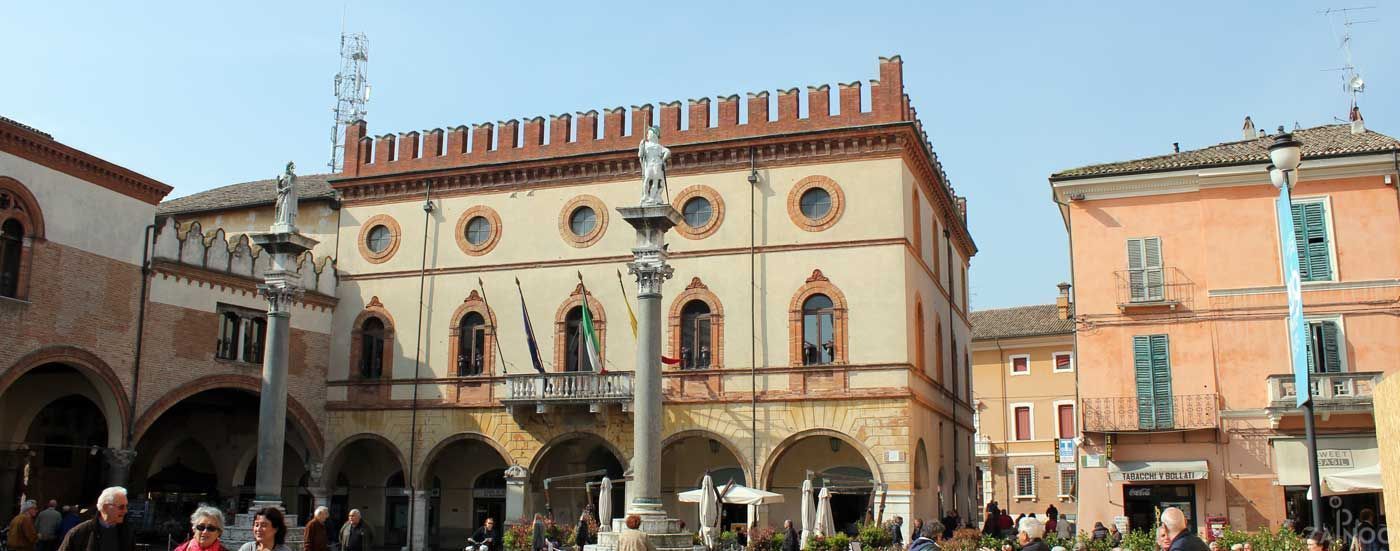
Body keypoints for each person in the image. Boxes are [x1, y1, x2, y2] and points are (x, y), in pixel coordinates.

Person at [57, 488, 133, 551]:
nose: (125, 510)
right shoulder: (79, 532)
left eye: (126, 506)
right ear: (105, 507)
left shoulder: (127, 532)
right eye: (121, 507)